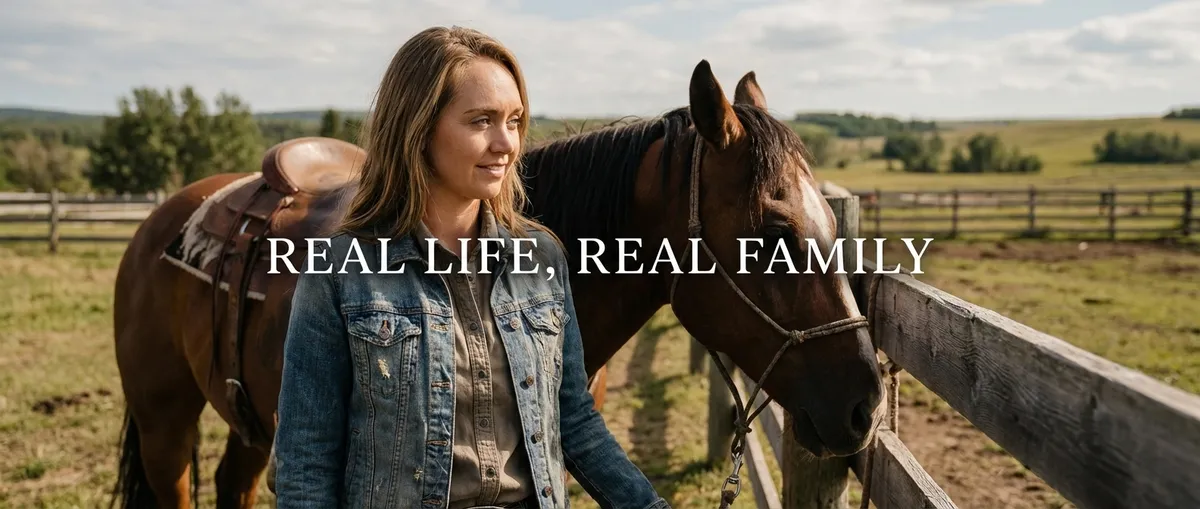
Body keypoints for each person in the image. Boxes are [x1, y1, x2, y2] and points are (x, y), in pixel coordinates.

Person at [272, 26, 670, 509]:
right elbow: (306, 460)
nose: (506, 143)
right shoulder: (340, 271)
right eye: (481, 121)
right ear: (417, 128)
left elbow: (574, 420)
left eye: (515, 120)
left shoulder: (541, 257)